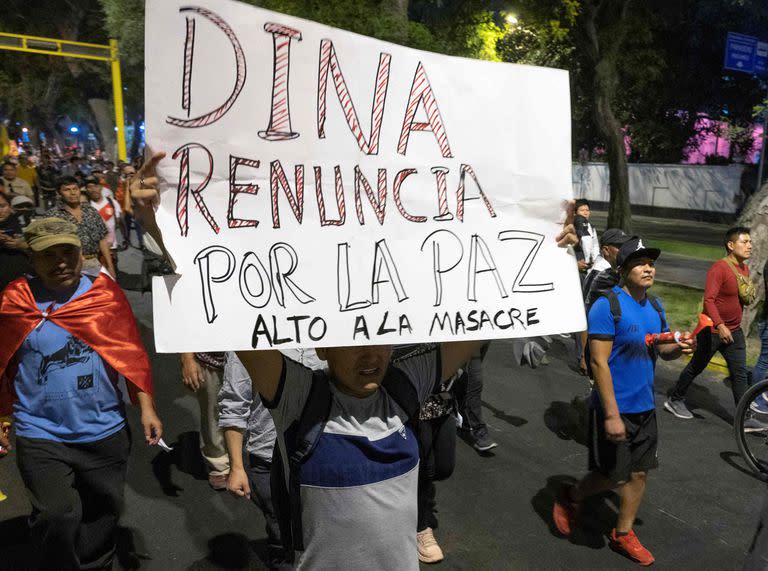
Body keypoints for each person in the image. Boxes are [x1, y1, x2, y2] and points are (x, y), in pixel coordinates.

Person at [129, 151, 579, 569]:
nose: (371, 355)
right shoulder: (299, 397)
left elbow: (485, 318)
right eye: (351, 341)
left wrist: (545, 250)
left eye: (380, 339)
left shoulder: (405, 385)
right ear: (320, 347)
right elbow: (218, 306)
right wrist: (156, 225)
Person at [0, 217, 162, 570]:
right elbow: (3, 362)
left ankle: (96, 562)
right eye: (48, 254)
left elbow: (130, 354)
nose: (60, 261)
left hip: (103, 429)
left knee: (102, 511)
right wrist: (3, 415)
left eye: (68, 252)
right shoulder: (14, 301)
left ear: (80, 253)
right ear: (31, 258)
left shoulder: (103, 296)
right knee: (56, 515)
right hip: (40, 431)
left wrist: (146, 407)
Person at [552, 237, 694, 566]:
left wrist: (681, 346)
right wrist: (612, 415)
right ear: (624, 269)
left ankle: (623, 533)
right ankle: (572, 494)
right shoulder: (608, 305)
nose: (649, 268)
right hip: (614, 408)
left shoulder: (655, 307)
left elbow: (661, 349)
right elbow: (599, 362)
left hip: (645, 406)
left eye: (652, 264)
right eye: (641, 263)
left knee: (640, 473)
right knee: (614, 476)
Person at [220, 351, 321, 570]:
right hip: (267, 459)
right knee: (282, 537)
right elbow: (234, 402)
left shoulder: (325, 331)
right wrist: (236, 466)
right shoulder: (248, 339)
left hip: (321, 456)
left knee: (323, 535)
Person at [664, 226, 759, 422]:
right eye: (745, 242)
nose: (749, 246)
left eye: (750, 242)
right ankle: (675, 399)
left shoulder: (745, 268)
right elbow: (709, 300)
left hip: (734, 332)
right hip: (713, 331)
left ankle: (744, 418)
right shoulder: (719, 269)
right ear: (731, 245)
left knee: (739, 374)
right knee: (697, 366)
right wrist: (720, 325)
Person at [578, 228, 631, 374]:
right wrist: (584, 355)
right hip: (600, 347)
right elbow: (585, 315)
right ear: (606, 250)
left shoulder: (615, 271)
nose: (624, 250)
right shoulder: (600, 275)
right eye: (619, 247)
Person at [45, 175, 116, 278]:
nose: (73, 193)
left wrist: (110, 266)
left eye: (75, 189)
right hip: (67, 267)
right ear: (59, 193)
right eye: (67, 190)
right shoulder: (53, 215)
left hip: (94, 264)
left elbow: (102, 240)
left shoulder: (91, 211)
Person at [180, 352, 230, 489]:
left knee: (263, 409)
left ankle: (263, 460)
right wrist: (187, 358)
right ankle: (219, 464)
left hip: (257, 352)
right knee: (213, 415)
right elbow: (181, 329)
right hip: (212, 359)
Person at [456, 342, 498, 452]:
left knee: (464, 377)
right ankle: (480, 431)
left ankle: (462, 415)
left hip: (483, 335)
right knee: (474, 381)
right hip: (464, 338)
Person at [85, 176, 122, 274]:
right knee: (97, 275)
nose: (93, 189)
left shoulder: (112, 202)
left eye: (95, 186)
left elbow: (118, 220)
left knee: (112, 272)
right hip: (94, 249)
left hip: (111, 247)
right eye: (89, 187)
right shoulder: (86, 205)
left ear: (101, 187)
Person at [0, 192, 30, 291]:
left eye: (2, 206)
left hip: (20, 279)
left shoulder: (22, 225)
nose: (0, 211)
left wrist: (21, 245)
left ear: (10, 207)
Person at [574, 199, 599, 274]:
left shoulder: (591, 228)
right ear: (575, 213)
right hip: (573, 270)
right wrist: (575, 264)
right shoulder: (570, 227)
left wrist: (596, 262)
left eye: (587, 210)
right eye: (582, 210)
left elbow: (595, 246)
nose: (585, 213)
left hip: (587, 270)